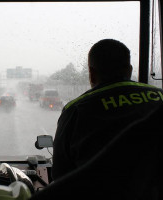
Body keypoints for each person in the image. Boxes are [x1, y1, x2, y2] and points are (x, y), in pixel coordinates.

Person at [52, 39, 163, 181]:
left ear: (91, 73)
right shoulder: (160, 96)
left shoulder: (76, 110)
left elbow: (60, 177)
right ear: (130, 70)